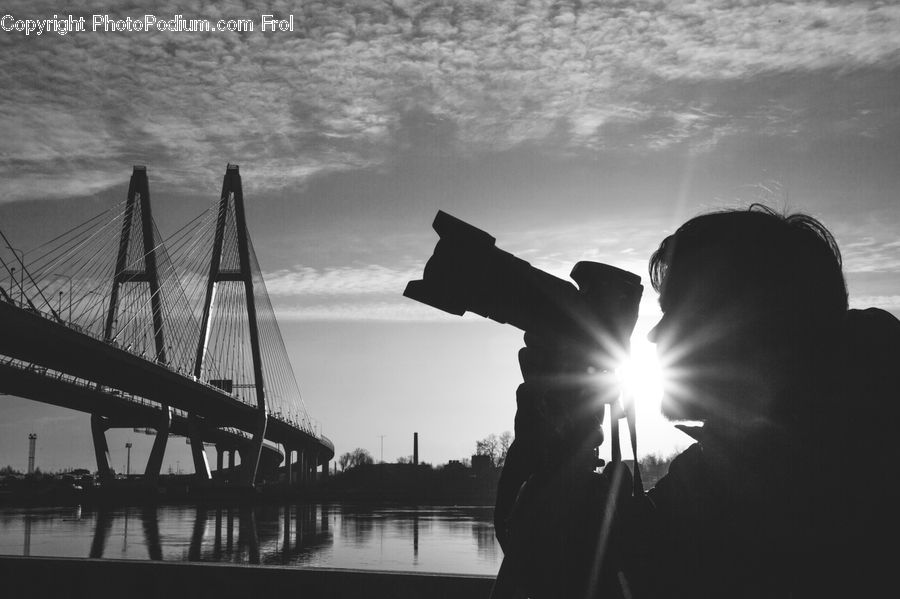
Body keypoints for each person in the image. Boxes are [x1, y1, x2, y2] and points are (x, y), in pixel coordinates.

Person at [492, 204, 900, 598]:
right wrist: (556, 419)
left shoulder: (803, 477)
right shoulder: (737, 462)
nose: (654, 336)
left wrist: (556, 415)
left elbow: (562, 566)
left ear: (745, 328)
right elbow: (569, 558)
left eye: (677, 313)